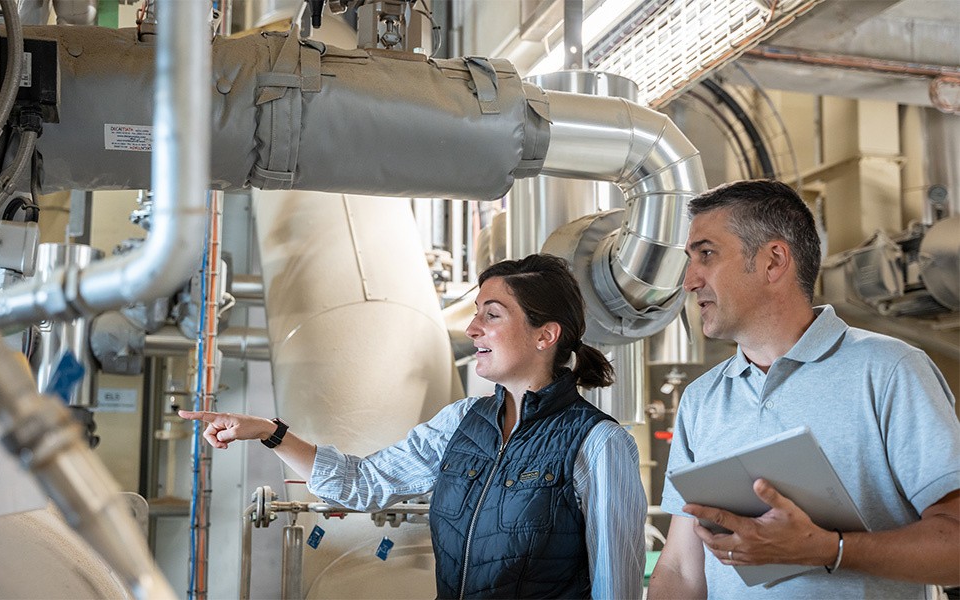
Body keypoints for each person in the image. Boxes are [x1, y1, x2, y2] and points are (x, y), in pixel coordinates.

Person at [181, 253, 648, 599]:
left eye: (492, 314)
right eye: (476, 311)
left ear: (546, 335)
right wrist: (269, 431)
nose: (472, 327)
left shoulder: (598, 444)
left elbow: (617, 589)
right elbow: (361, 484)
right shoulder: (461, 422)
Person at [647, 179, 960, 599]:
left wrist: (829, 549)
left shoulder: (890, 370)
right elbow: (683, 568)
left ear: (774, 261)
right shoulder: (701, 399)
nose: (689, 281)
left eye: (706, 254)